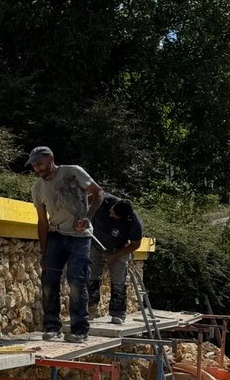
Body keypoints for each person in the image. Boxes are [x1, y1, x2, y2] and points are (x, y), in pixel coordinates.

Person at [26, 146, 104, 342]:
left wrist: (87, 217)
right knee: (49, 282)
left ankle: (79, 330)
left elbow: (98, 193)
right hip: (56, 235)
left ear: (51, 158)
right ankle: (52, 327)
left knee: (76, 281)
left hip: (80, 236)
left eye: (40, 163)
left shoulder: (73, 172)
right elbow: (42, 222)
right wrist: (43, 253)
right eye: (34, 165)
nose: (38, 168)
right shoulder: (38, 188)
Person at [89, 195, 144, 325]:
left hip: (119, 248)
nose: (110, 214)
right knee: (92, 277)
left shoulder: (134, 223)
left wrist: (115, 255)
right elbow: (88, 197)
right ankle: (90, 309)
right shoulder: (104, 200)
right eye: (111, 211)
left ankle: (118, 313)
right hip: (96, 243)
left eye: (114, 215)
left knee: (118, 281)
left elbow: (135, 244)